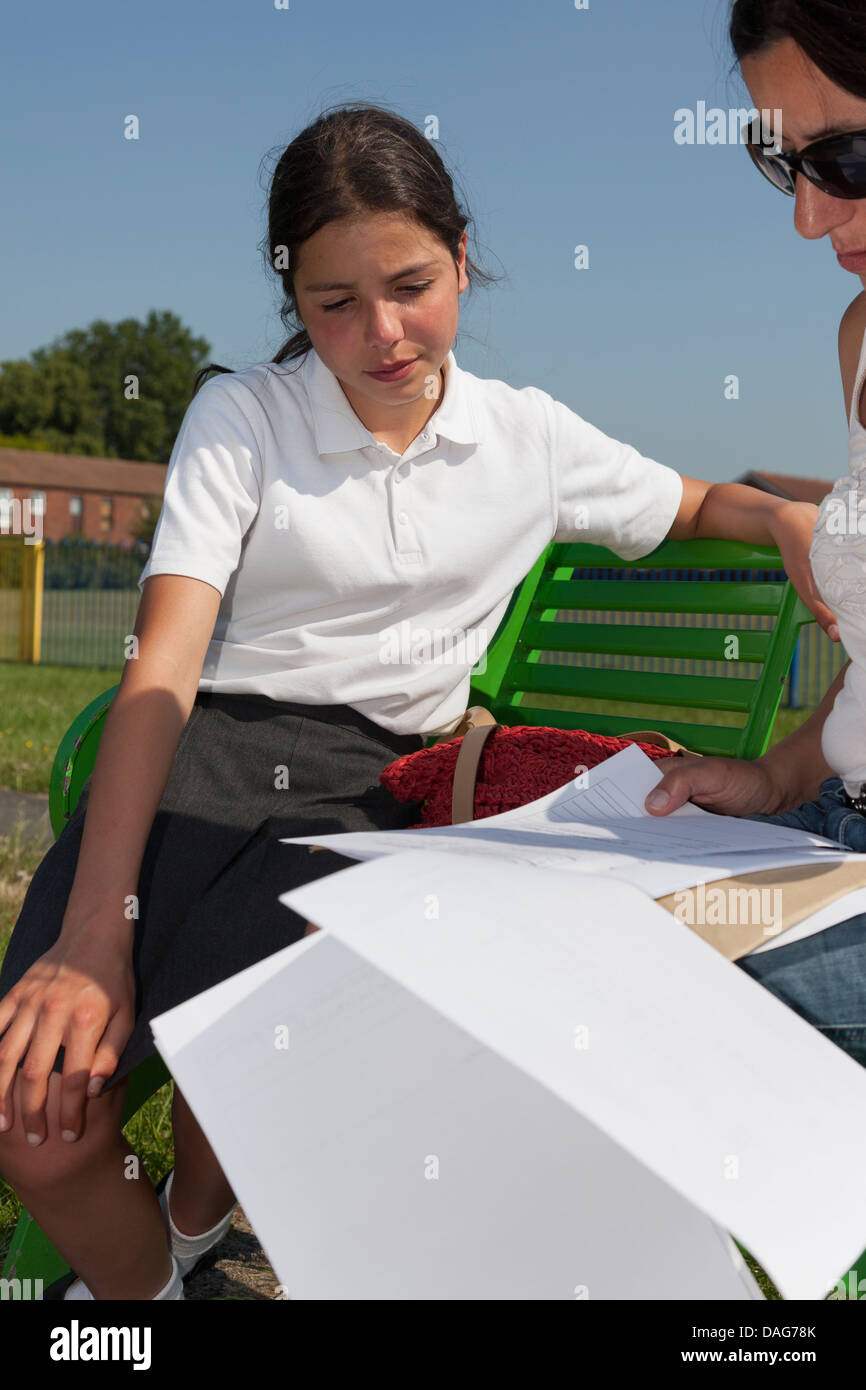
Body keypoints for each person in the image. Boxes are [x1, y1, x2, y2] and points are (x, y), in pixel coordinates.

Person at [0, 100, 831, 1301]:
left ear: (460, 254)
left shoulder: (525, 437)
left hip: (372, 803)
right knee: (41, 1124)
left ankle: (179, 1240)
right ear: (291, 301)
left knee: (247, 1055)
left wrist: (781, 515)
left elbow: (695, 501)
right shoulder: (243, 418)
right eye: (333, 304)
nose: (381, 333)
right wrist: (92, 933)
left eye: (411, 284)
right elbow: (163, 672)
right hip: (196, 766)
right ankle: (153, 1287)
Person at [645, 0, 866, 1069]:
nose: (809, 220)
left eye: (848, 157)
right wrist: (778, 779)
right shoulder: (862, 337)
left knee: (626, 999)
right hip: (839, 833)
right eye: (784, 166)